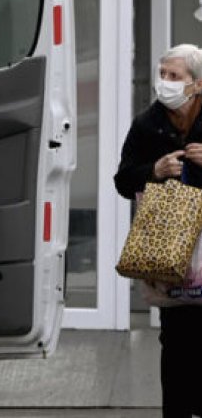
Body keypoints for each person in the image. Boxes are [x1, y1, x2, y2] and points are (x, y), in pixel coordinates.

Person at [114, 43, 202, 418]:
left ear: (196, 84)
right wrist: (154, 170)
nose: (164, 83)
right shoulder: (147, 124)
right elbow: (122, 180)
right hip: (170, 256)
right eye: (162, 74)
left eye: (174, 76)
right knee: (177, 345)